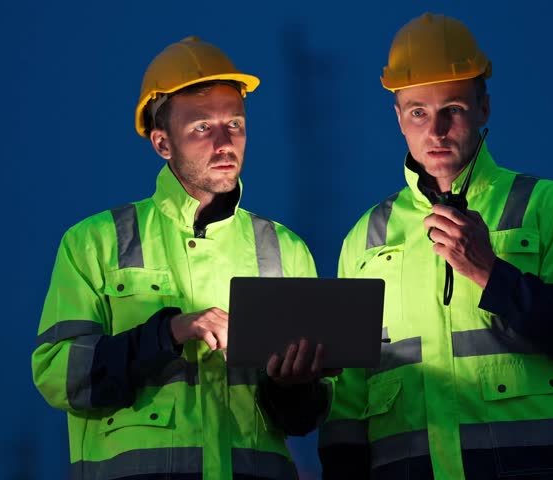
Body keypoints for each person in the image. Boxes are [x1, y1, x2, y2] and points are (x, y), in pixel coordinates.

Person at [318, 13, 553, 480]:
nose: (436, 131)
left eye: (453, 110)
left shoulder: (550, 207)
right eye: (418, 111)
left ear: (483, 108)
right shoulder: (365, 239)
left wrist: (492, 273)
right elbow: (349, 400)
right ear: (398, 116)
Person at [32, 36, 332, 480]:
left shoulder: (286, 251)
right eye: (201, 128)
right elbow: (58, 376)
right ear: (162, 143)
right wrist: (169, 333)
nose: (224, 141)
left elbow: (304, 419)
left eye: (235, 124)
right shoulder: (93, 243)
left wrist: (294, 383)